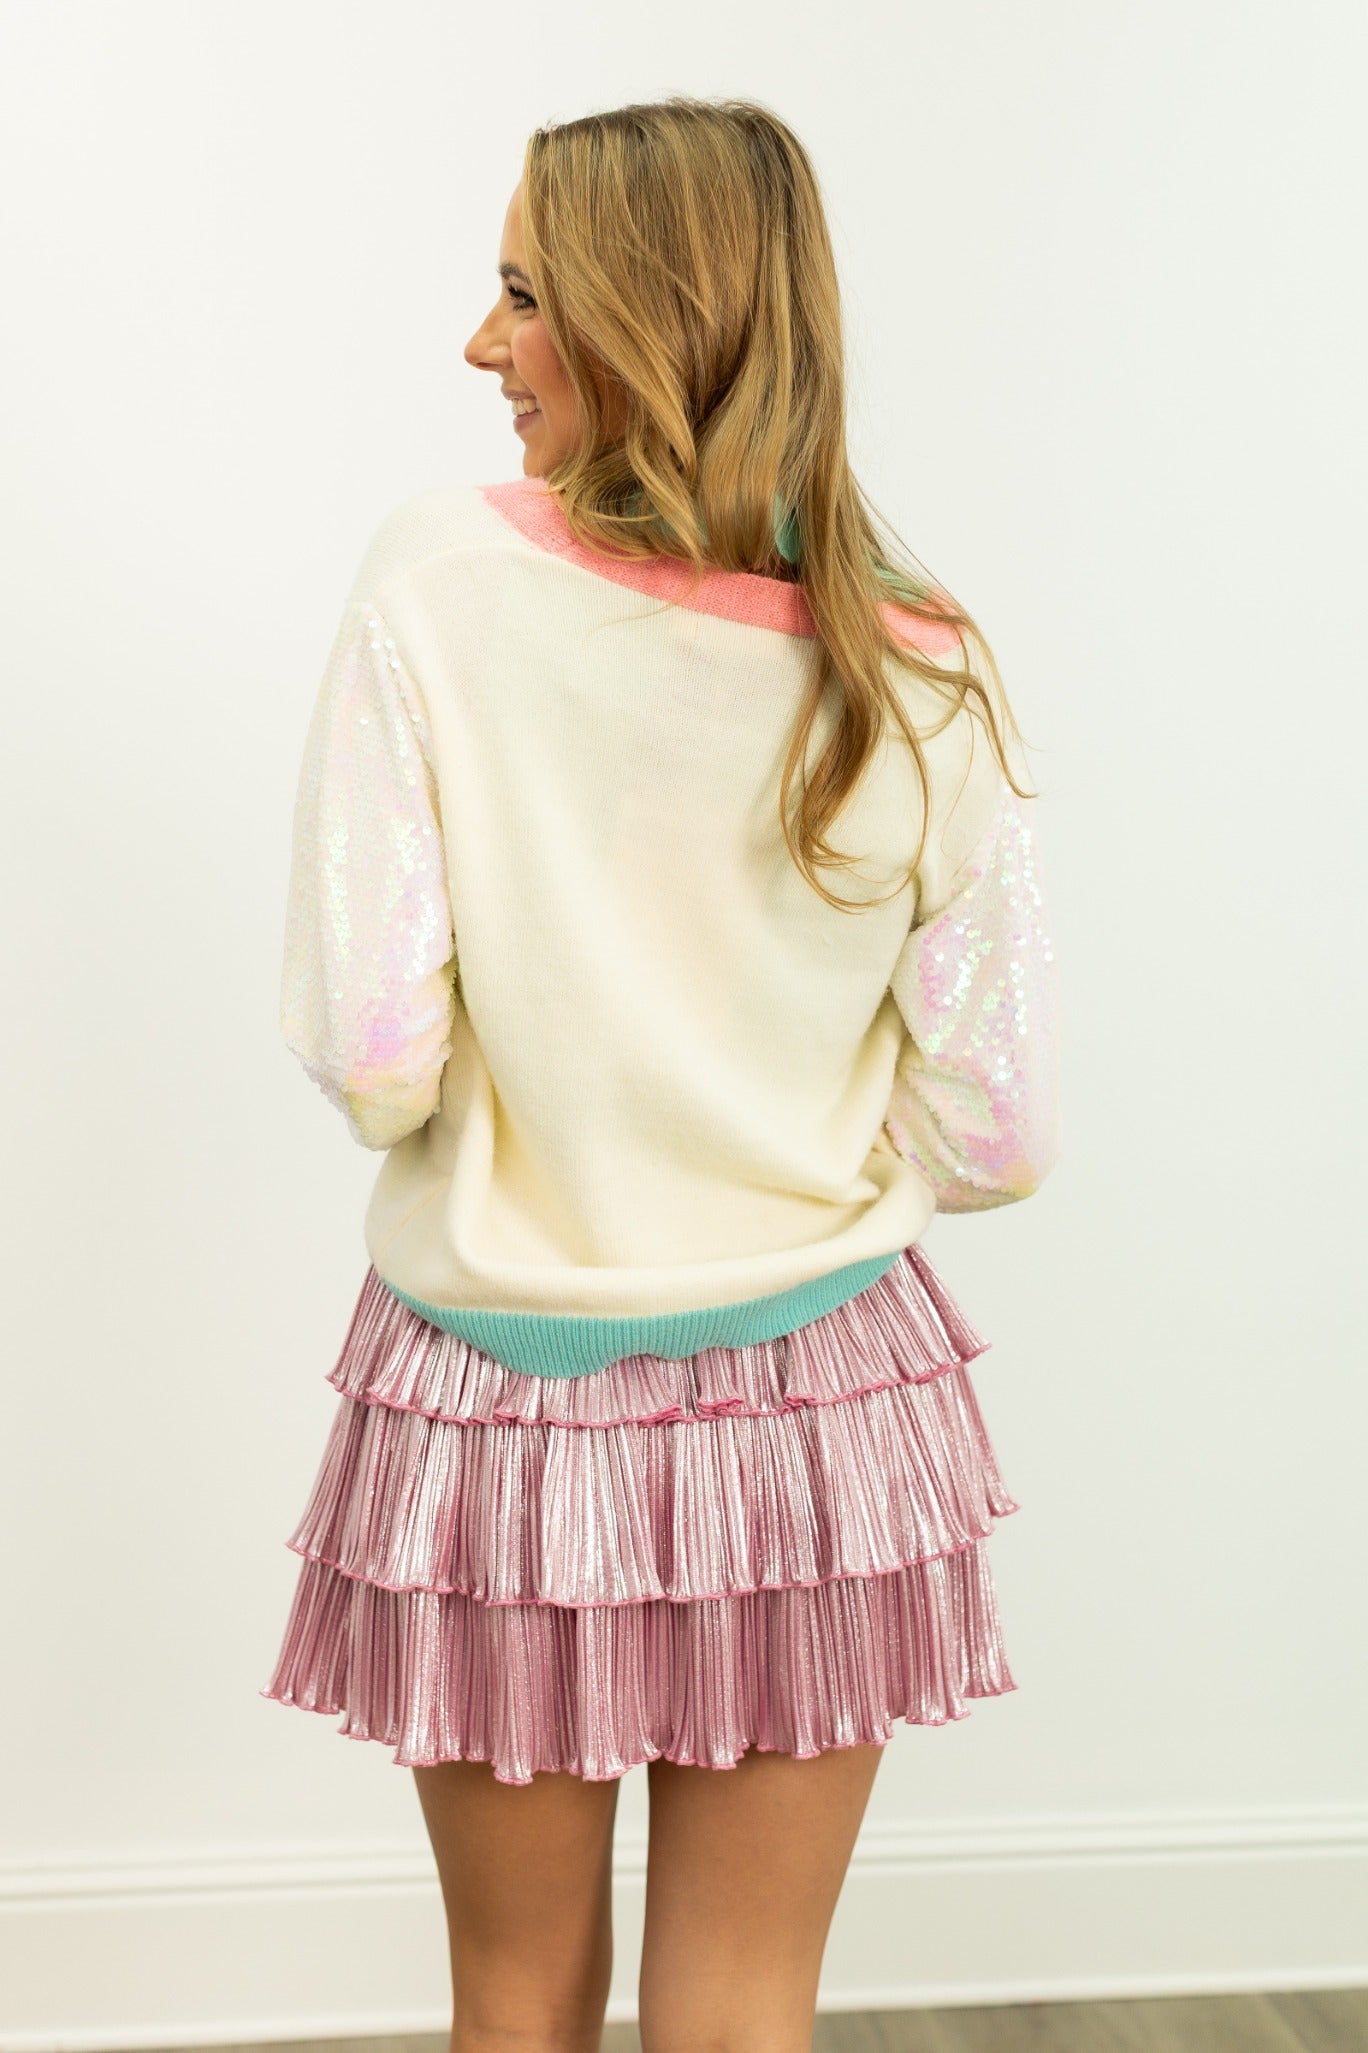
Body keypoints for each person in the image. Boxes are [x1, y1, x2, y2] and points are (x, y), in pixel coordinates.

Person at [260, 94, 1060, 2053]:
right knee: (744, 2009)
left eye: (525, 293)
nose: (482, 341)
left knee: (515, 2003)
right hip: (822, 1414)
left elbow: (375, 1052)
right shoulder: (924, 662)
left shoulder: (435, 583)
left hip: (499, 1408)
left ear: (651, 316)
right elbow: (995, 1123)